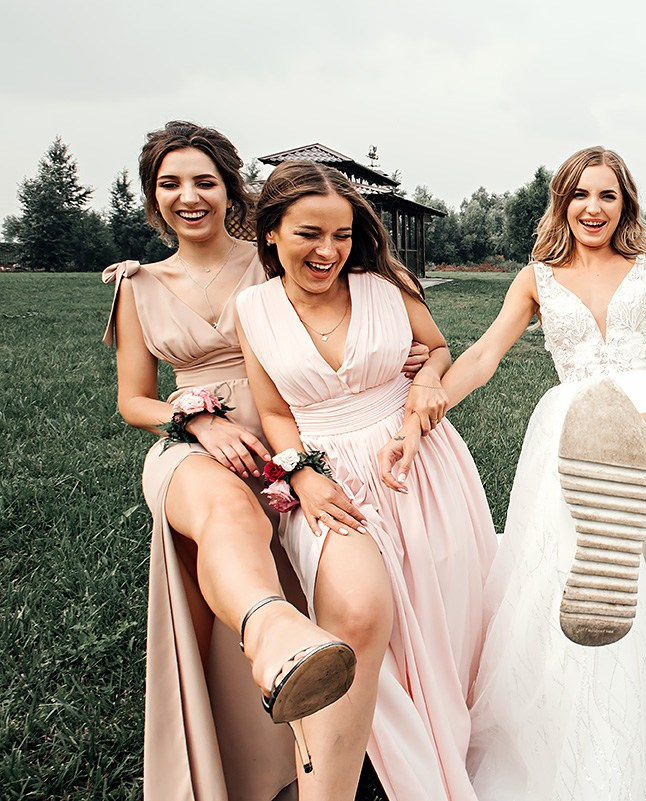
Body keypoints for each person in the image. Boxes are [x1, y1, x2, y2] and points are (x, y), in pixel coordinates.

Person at [435, 145, 646, 801]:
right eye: (581, 195)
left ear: (625, 205)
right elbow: (482, 356)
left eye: (607, 195)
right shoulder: (535, 278)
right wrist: (430, 406)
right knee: (603, 464)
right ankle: (611, 548)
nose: (593, 208)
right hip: (577, 426)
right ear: (562, 203)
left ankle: (612, 527)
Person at [103, 121, 356, 799]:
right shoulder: (137, 286)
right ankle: (275, 638)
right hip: (189, 445)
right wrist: (195, 417)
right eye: (170, 184)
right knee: (226, 511)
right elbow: (133, 399)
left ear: (229, 188)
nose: (188, 196)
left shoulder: (271, 258)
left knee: (309, 560)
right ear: (153, 196)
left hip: (283, 429)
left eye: (204, 181)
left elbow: (341, 313)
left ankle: (305, 754)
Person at [236, 161, 496, 801]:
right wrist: (301, 474)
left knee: (446, 611)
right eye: (309, 233)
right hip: (326, 474)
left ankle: (444, 737)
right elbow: (274, 411)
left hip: (415, 460)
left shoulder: (386, 285)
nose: (328, 251)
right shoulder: (253, 309)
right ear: (271, 232)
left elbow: (437, 350)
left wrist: (428, 378)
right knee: (357, 609)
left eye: (342, 235)